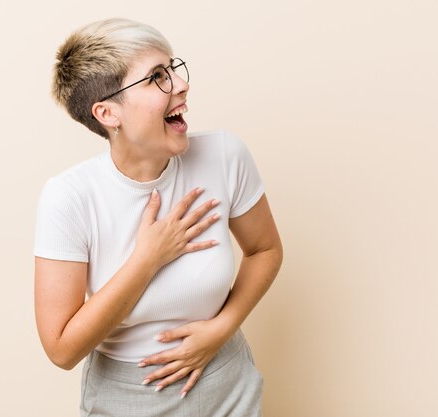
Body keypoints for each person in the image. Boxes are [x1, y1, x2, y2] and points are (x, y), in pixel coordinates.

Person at [33, 17, 283, 417]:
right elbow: (62, 349)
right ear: (108, 113)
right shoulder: (69, 198)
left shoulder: (224, 156)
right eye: (156, 78)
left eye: (173, 69)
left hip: (228, 381)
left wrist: (221, 329)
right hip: (124, 397)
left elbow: (265, 249)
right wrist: (148, 258)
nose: (180, 85)